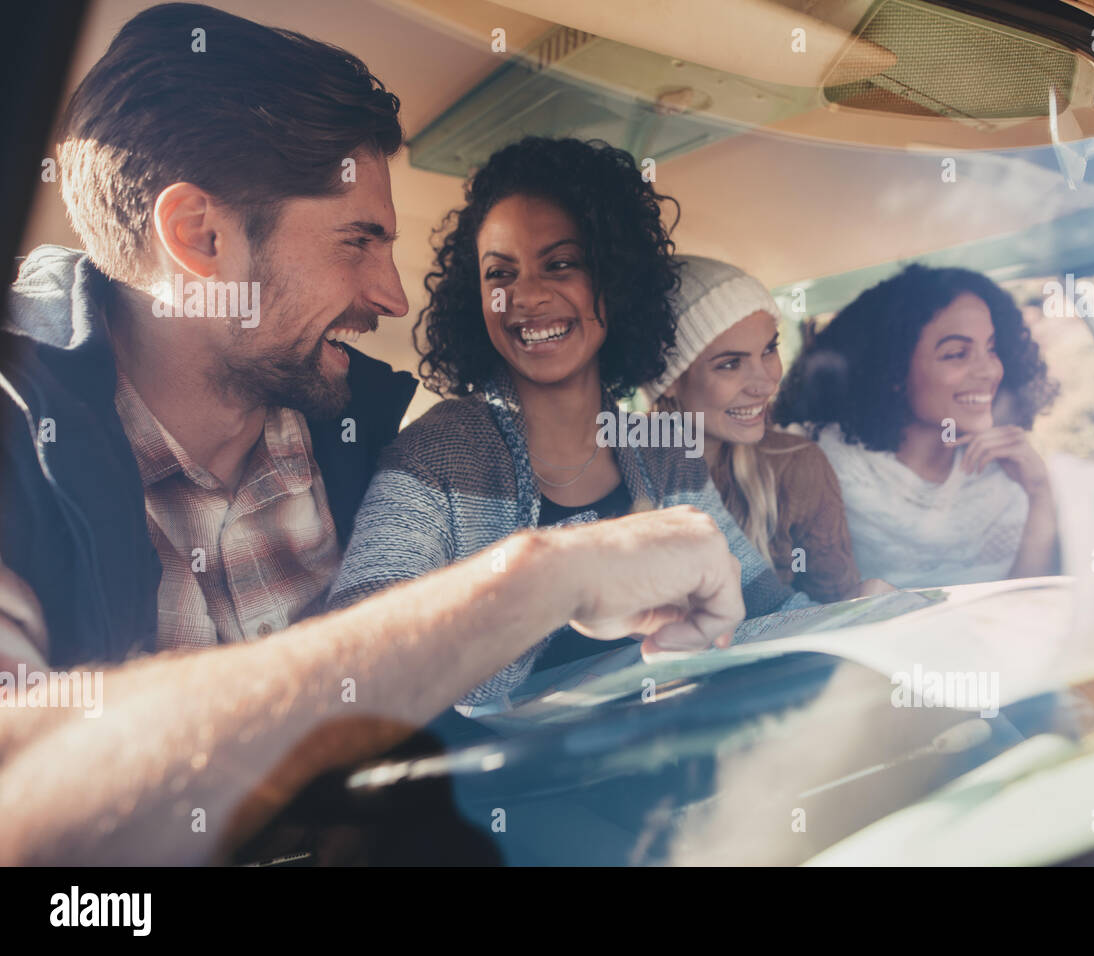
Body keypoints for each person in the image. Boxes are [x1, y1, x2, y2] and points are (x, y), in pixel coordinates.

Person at [0, 4, 744, 865]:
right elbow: (24, 792)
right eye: (359, 240)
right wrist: (545, 577)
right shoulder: (20, 443)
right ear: (199, 237)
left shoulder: (353, 436)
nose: (393, 296)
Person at [328, 139, 813, 698]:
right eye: (499, 275)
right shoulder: (432, 456)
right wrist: (553, 584)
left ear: (615, 281)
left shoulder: (664, 451)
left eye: (560, 264)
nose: (525, 296)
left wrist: (874, 614)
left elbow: (760, 607)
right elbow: (359, 658)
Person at [775, 264, 1060, 588]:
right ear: (893, 370)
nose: (990, 371)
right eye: (956, 354)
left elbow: (1030, 603)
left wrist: (1040, 492)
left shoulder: (1011, 468)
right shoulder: (822, 464)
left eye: (991, 348)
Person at [644, 255, 891, 603]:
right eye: (730, 364)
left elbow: (834, 610)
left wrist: (865, 601)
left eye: (769, 349)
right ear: (668, 380)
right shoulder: (620, 471)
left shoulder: (797, 463)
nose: (765, 384)